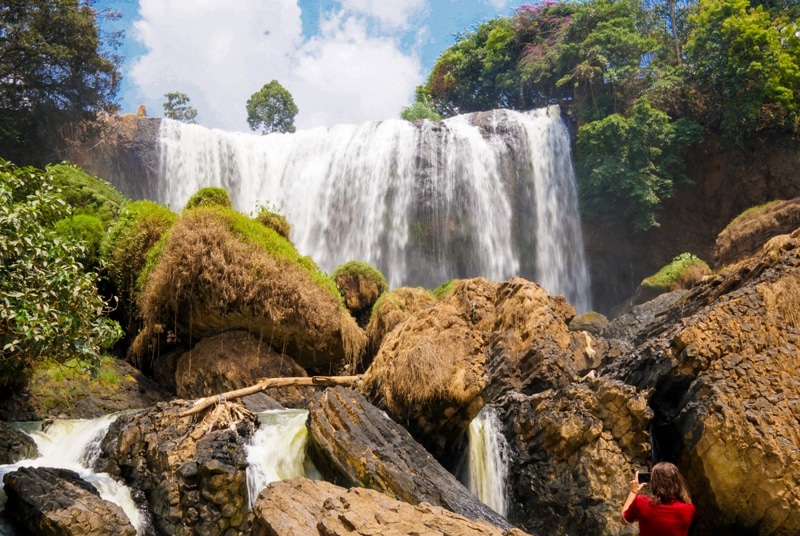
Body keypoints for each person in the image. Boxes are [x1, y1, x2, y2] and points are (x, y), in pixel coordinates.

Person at [621, 462, 695, 536]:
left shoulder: (641, 502)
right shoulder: (689, 508)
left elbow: (624, 520)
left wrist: (633, 491)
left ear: (654, 482)